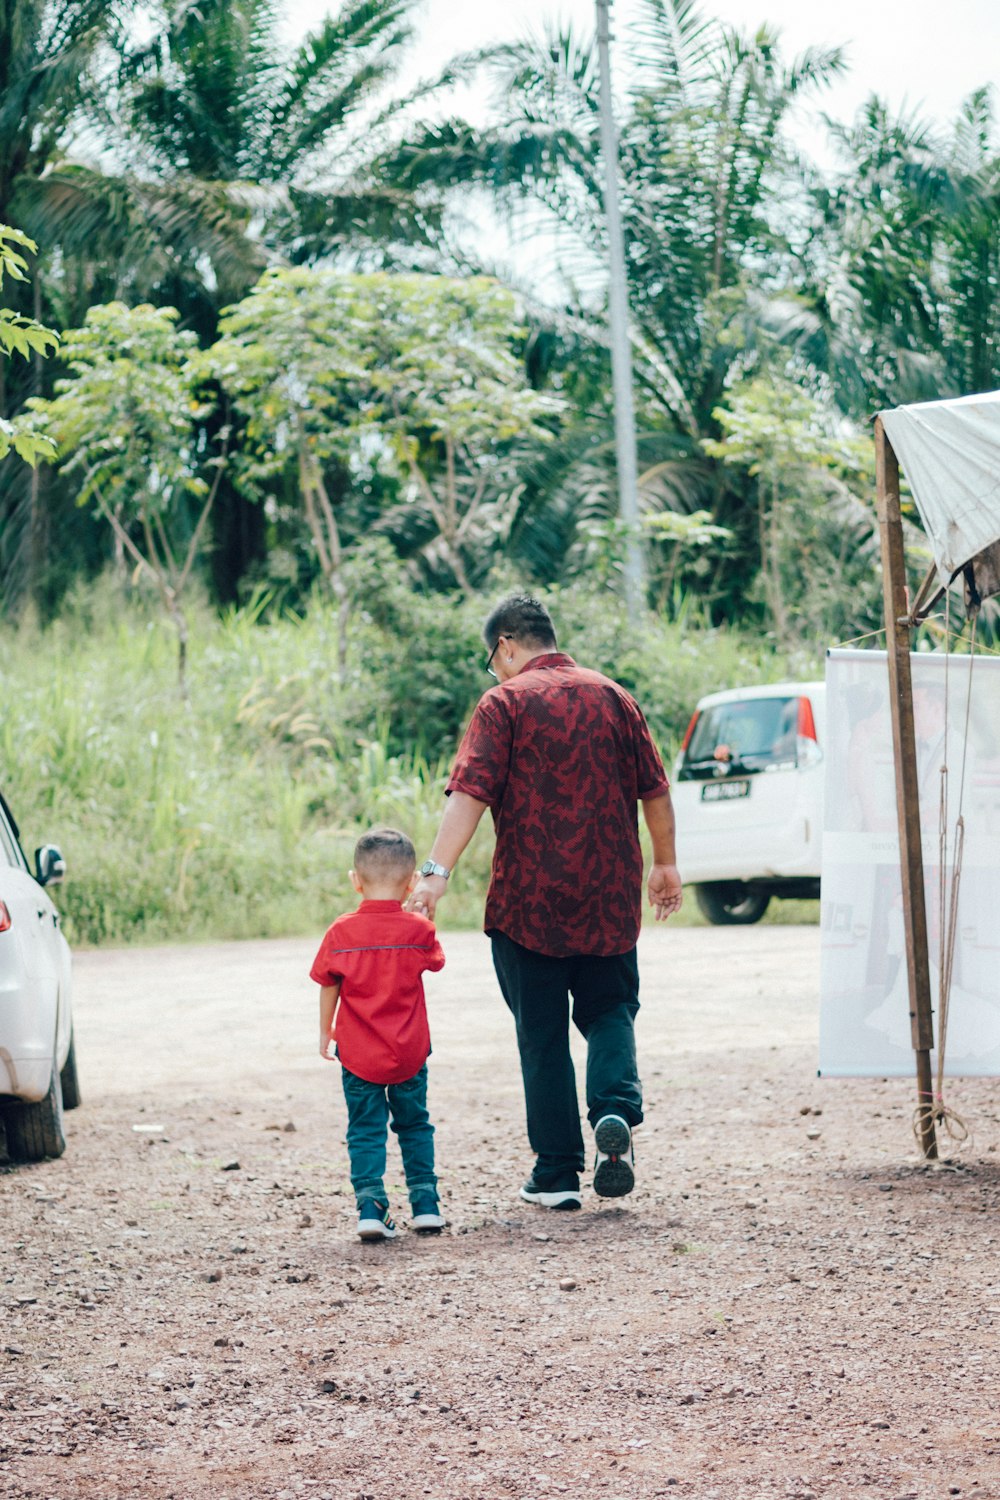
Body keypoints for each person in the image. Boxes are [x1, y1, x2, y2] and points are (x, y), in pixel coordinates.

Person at [407, 594, 682, 1212]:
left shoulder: (503, 702)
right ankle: (613, 1113)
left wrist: (434, 873)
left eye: (492, 660)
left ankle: (557, 1173)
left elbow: (469, 794)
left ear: (506, 645)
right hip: (609, 896)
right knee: (610, 1010)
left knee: (542, 1034)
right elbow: (655, 790)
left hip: (528, 902)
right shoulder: (614, 696)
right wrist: (664, 863)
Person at [310, 827, 446, 1242]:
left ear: (356, 880)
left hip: (358, 1053)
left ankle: (371, 1207)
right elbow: (434, 962)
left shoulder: (341, 933)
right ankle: (426, 1205)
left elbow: (328, 983)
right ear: (410, 883)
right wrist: (421, 919)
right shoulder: (417, 932)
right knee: (415, 1124)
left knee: (365, 1129)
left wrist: (325, 1032)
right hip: (408, 1052)